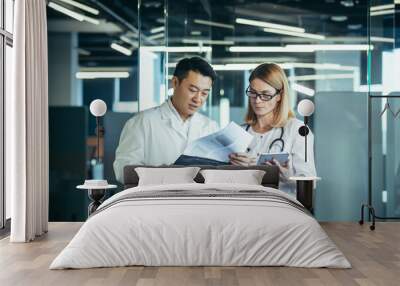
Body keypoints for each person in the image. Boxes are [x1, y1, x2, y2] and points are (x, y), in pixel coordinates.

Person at [113, 57, 219, 183]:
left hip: (198, 200)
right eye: (192, 90)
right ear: (175, 83)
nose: (198, 99)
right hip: (156, 200)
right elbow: (122, 171)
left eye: (204, 93)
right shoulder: (142, 123)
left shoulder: (211, 127)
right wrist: (164, 174)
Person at [229, 63, 317, 194]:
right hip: (245, 205)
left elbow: (310, 182)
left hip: (281, 208)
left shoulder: (297, 130)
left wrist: (288, 176)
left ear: (279, 95)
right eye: (253, 93)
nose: (257, 101)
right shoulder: (239, 132)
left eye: (265, 95)